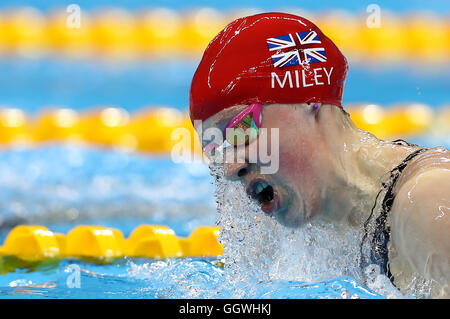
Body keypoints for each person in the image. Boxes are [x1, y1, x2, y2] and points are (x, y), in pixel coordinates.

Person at [188, 12, 449, 298]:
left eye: (241, 128)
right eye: (215, 146)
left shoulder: (428, 205)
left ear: (308, 98)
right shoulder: (283, 234)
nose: (230, 168)